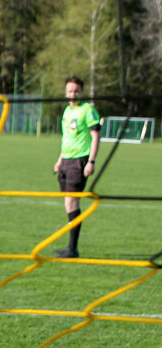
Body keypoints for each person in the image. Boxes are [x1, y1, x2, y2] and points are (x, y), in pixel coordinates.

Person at [52, 76, 101, 258]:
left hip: (79, 161)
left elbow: (95, 135)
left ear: (81, 92)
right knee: (68, 203)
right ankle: (71, 247)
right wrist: (59, 160)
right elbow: (66, 138)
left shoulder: (87, 110)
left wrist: (91, 161)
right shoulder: (66, 111)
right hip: (65, 161)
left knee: (73, 202)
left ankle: (72, 249)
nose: (73, 94)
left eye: (76, 91)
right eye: (70, 91)